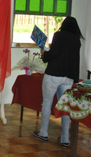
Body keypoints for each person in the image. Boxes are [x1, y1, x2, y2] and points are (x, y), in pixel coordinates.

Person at [32, 16, 84, 148]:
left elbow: (54, 53)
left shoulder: (59, 35)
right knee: (65, 107)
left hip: (53, 74)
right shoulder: (77, 40)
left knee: (47, 103)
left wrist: (44, 55)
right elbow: (74, 60)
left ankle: (43, 133)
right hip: (68, 77)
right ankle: (65, 139)